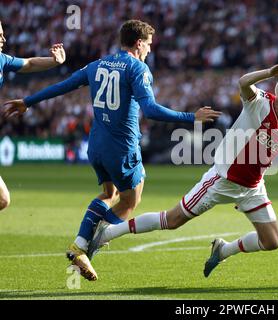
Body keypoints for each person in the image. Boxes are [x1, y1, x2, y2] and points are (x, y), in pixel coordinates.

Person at [2, 20, 221, 281]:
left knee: (110, 193)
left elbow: (64, 85)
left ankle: (82, 247)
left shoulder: (97, 64)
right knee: (131, 200)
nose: (150, 50)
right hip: (122, 146)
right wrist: (191, 117)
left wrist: (28, 101)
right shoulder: (138, 68)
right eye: (149, 45)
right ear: (139, 43)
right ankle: (84, 246)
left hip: (95, 145)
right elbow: (150, 111)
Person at [87, 60, 278, 279]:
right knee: (172, 220)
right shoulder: (260, 104)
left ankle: (224, 249)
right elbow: (243, 82)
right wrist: (268, 73)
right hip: (221, 180)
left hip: (253, 189)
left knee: (272, 241)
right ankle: (106, 233)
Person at [0, 20, 66, 211]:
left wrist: (54, 61)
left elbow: (29, 64)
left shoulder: (2, 60)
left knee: (3, 199)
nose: (4, 38)